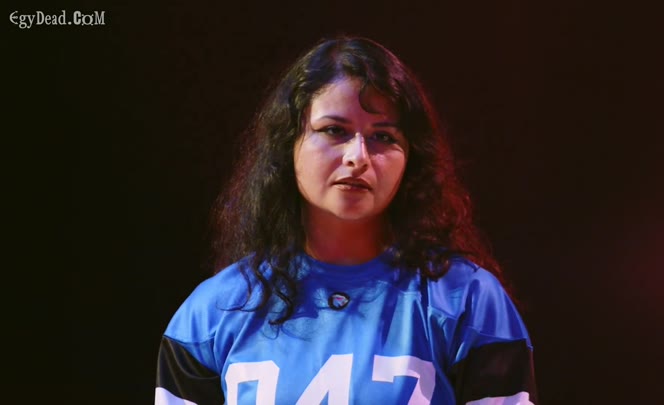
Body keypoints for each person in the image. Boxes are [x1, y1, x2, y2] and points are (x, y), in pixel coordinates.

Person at [155, 35, 538, 405]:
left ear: (411, 158)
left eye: (383, 136)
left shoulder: (468, 301)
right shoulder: (211, 315)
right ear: (287, 144)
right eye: (334, 131)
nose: (358, 156)